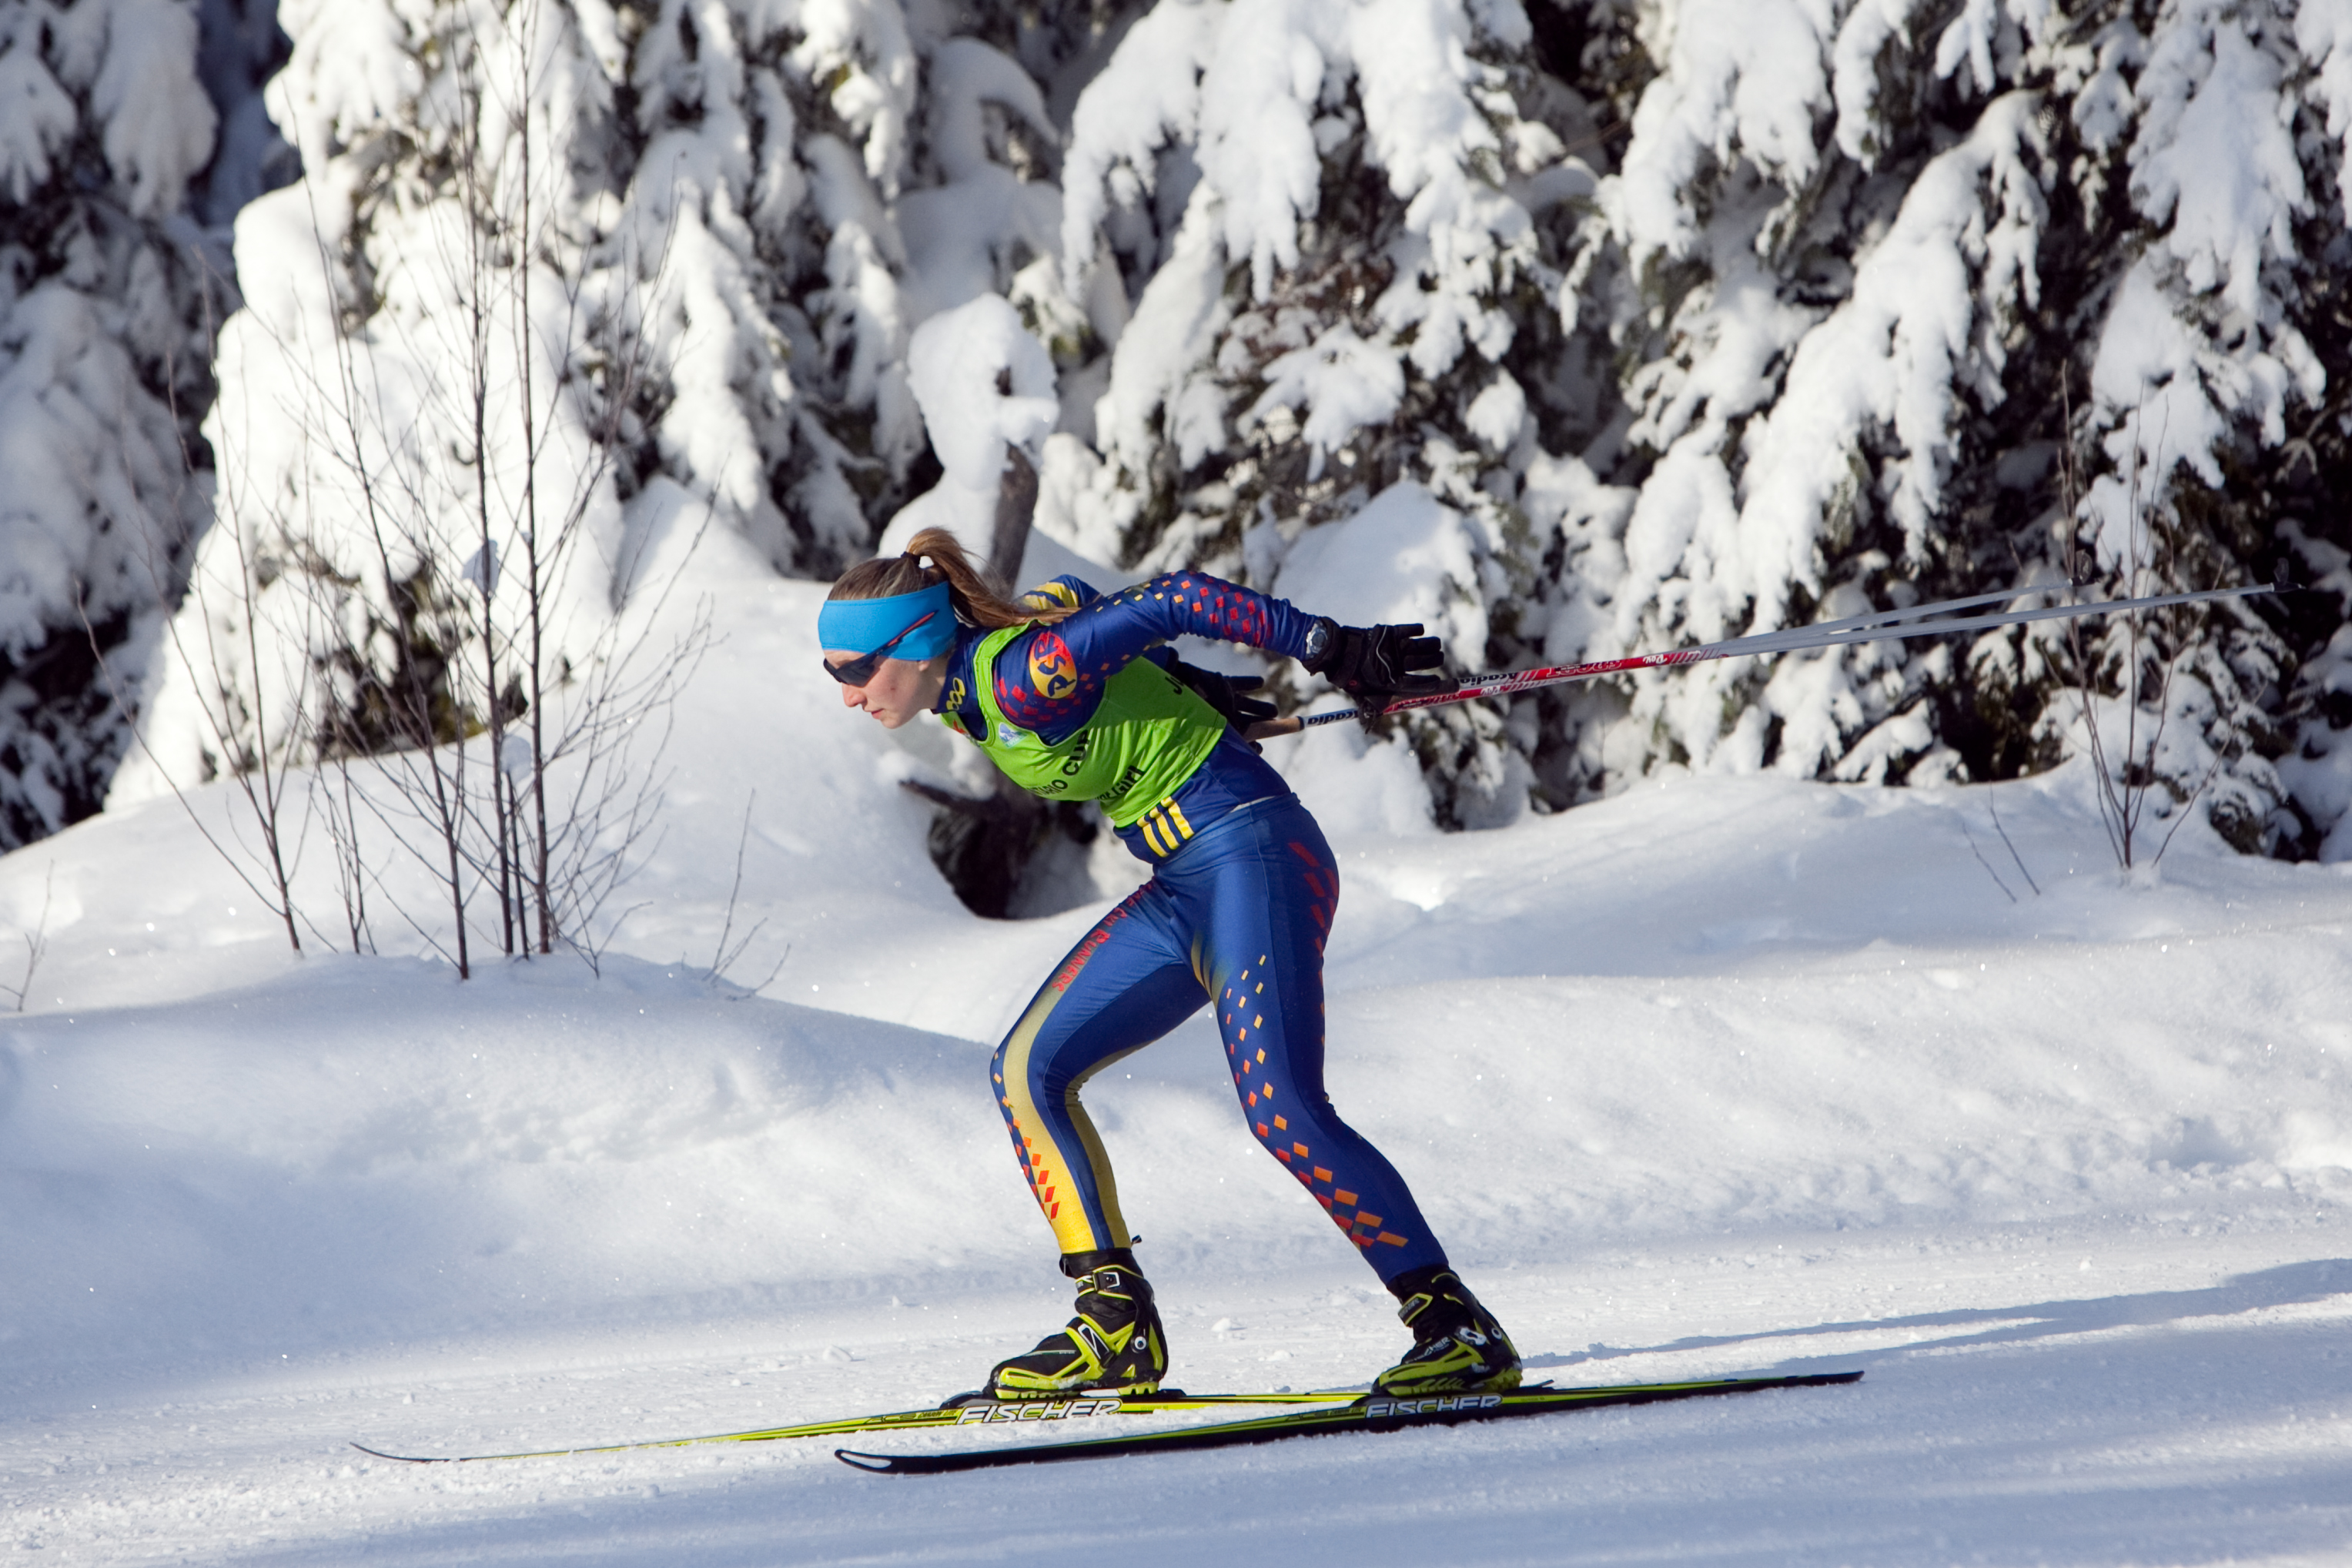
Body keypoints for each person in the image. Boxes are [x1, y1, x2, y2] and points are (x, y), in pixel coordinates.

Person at [818, 527, 1519, 1400]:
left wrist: (1332, 647)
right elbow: (1073, 602)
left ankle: (1455, 1326)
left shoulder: (1011, 677)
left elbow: (1170, 601)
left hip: (1251, 857)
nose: (846, 694)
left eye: (853, 669)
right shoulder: (968, 688)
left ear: (917, 644)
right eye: (832, 673)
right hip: (1186, 880)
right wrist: (1183, 691)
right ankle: (1114, 1323)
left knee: (1283, 1112)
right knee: (1028, 1068)